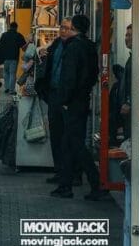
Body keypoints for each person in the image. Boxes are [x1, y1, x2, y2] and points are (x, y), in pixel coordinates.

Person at [51, 16, 109, 201]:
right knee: (68, 143)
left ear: (74, 27)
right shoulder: (90, 46)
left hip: (72, 103)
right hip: (82, 99)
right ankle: (65, 185)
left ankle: (97, 183)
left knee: (75, 143)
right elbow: (93, 74)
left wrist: (64, 100)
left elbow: (69, 77)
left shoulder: (73, 47)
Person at [36, 18, 72, 184]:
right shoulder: (56, 44)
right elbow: (47, 59)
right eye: (62, 28)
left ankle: (71, 173)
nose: (63, 31)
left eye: (67, 28)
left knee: (69, 138)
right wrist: (43, 54)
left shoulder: (75, 47)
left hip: (69, 98)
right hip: (54, 94)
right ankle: (59, 171)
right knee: (56, 135)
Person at [0, 21, 27, 94]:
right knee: (12, 74)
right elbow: (24, 48)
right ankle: (11, 90)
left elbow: (0, 46)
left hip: (5, 58)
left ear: (9, 27)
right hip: (14, 58)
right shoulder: (18, 35)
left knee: (6, 73)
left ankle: (7, 88)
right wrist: (29, 43)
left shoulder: (4, 35)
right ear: (16, 28)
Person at [118, 24, 133, 141]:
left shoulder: (136, 59)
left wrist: (129, 102)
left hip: (132, 108)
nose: (126, 38)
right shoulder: (131, 58)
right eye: (126, 35)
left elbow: (134, 83)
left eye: (129, 35)